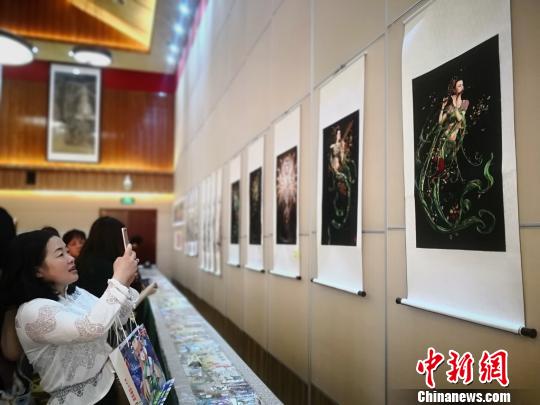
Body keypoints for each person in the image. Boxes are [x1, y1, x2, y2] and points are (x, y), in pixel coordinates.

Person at [5, 230, 139, 404]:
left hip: (107, 386)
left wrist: (125, 283)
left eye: (67, 252)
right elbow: (91, 328)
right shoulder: (32, 311)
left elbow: (116, 318)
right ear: (37, 270)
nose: (71, 258)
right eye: (60, 254)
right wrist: (119, 280)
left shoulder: (74, 293)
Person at [415, 77, 495, 236]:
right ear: (454, 88)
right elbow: (441, 122)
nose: (462, 87)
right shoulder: (449, 105)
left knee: (446, 173)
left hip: (452, 144)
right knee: (437, 172)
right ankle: (434, 202)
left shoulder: (465, 103)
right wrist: (443, 107)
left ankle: (450, 210)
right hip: (442, 141)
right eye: (459, 85)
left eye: (462, 84)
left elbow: (461, 121)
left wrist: (454, 105)